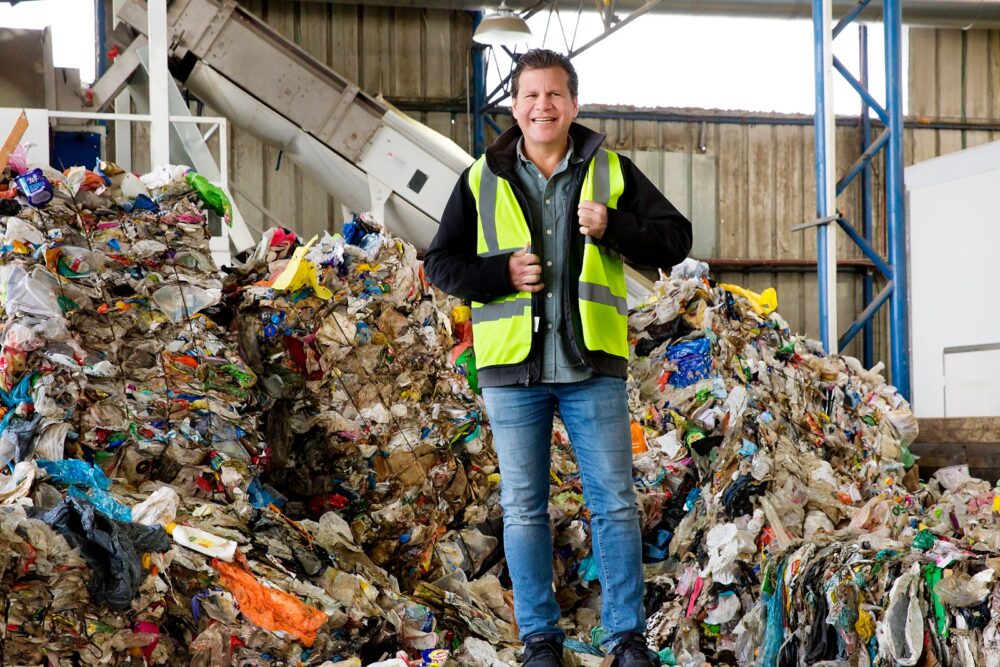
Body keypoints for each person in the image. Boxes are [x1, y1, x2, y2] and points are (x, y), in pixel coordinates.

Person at [424, 49, 692, 667]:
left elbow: (676, 240)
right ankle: (539, 640)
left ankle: (626, 638)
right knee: (523, 508)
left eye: (554, 96)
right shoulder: (479, 178)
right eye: (530, 96)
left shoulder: (612, 171)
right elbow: (440, 261)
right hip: (511, 371)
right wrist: (498, 273)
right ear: (514, 107)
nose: (542, 106)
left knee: (615, 504)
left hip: (590, 364)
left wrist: (616, 226)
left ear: (573, 104)